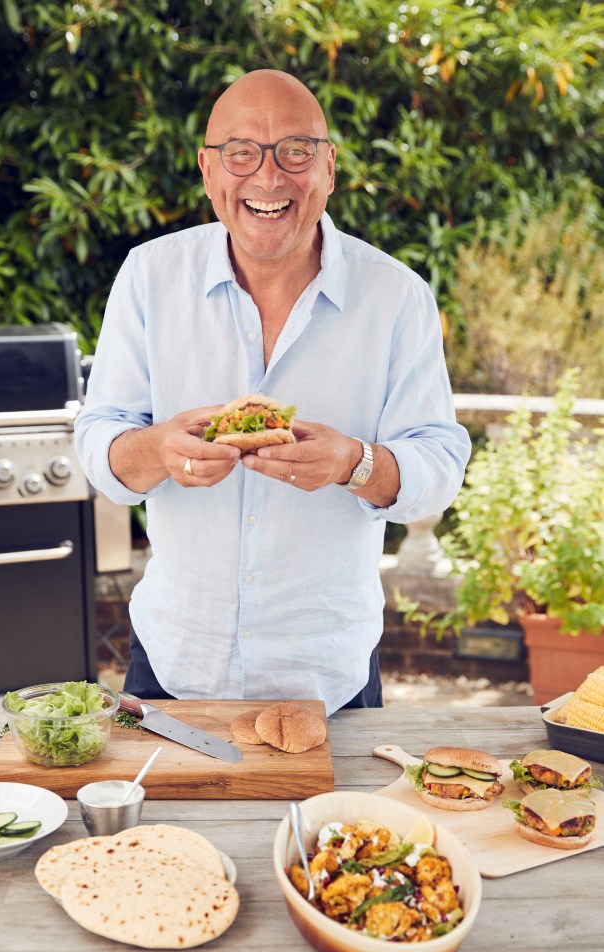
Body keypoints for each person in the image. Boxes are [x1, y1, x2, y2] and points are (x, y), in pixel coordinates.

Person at [75, 69, 471, 715]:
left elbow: (440, 463)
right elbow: (100, 439)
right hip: (175, 658)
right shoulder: (150, 276)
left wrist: (355, 463)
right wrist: (156, 449)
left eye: (295, 151)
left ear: (329, 167)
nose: (267, 178)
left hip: (327, 670)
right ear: (209, 170)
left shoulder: (396, 296)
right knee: (166, 824)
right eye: (241, 153)